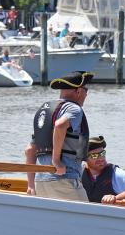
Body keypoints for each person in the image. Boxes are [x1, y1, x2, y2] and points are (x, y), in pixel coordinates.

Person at [25, 71, 94, 201]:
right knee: (86, 219)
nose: (87, 94)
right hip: (64, 179)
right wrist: (56, 161)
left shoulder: (44, 110)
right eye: (86, 90)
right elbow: (60, 125)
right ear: (78, 91)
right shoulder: (74, 109)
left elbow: (30, 150)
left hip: (41, 183)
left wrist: (30, 184)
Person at [82, 136, 125, 203]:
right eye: (94, 155)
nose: (101, 158)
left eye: (102, 153)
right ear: (84, 158)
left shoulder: (120, 176)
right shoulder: (77, 175)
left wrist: (115, 198)